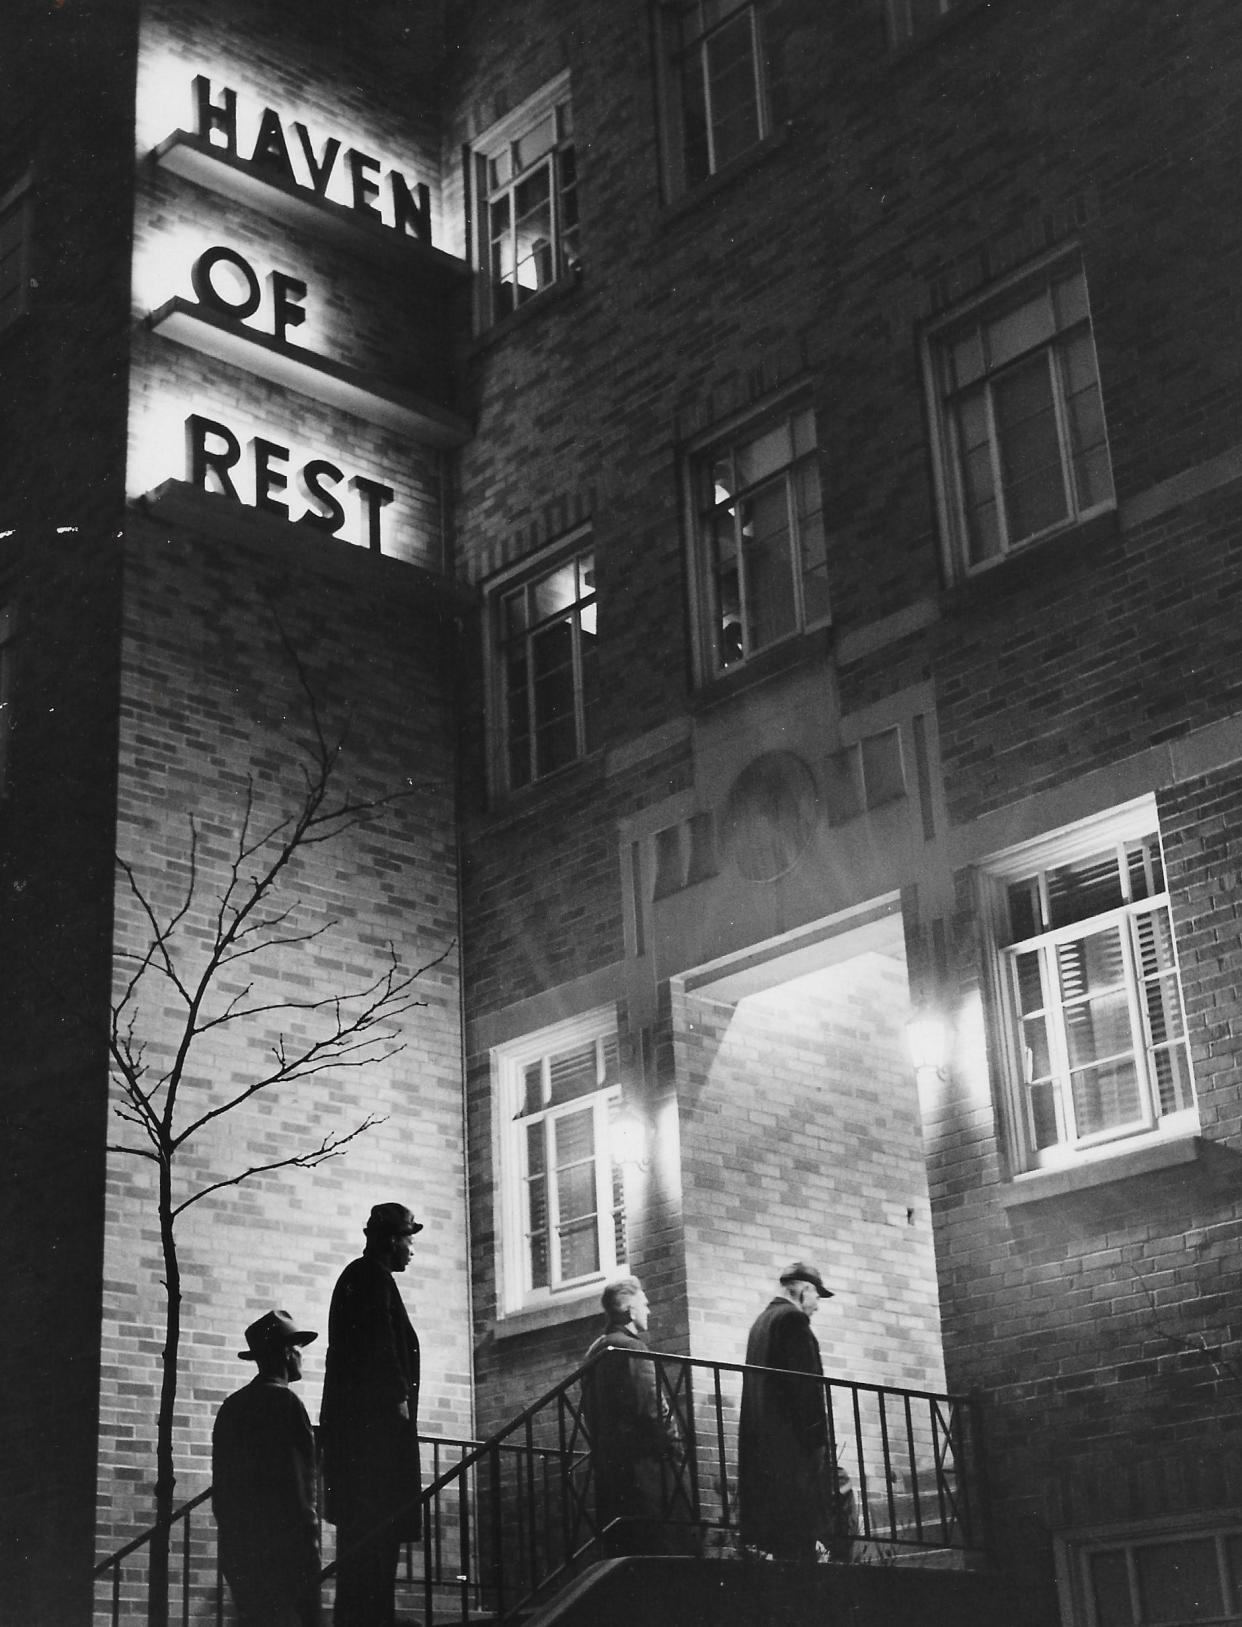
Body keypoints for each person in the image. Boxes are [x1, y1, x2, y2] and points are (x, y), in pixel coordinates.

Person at [319, 1203, 423, 1627]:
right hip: (374, 1446)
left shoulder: (361, 1278)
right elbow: (380, 1343)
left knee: (367, 1550)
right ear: (390, 1240)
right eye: (408, 1239)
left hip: (361, 1446)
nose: (412, 1249)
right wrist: (397, 1398)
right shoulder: (369, 1279)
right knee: (374, 1547)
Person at [738, 1261, 853, 1562]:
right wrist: (818, 1445)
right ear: (803, 1291)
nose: (817, 1306)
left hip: (766, 1461)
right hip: (793, 1460)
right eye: (817, 1297)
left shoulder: (760, 1324)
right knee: (804, 1550)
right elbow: (806, 1391)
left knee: (783, 1554)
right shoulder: (792, 1321)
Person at [212, 1308, 321, 1627]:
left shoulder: (233, 1406)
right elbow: (298, 1487)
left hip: (242, 1551)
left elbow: (223, 1487)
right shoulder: (287, 1405)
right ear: (287, 1353)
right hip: (286, 1555)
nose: (302, 1356)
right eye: (298, 1348)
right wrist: (309, 1546)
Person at [581, 1275, 688, 1556]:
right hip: (645, 1468)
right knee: (662, 1547)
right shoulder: (632, 1348)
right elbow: (651, 1407)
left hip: (611, 1465)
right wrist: (674, 1446)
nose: (649, 1310)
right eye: (644, 1304)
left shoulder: (595, 1351)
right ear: (629, 1310)